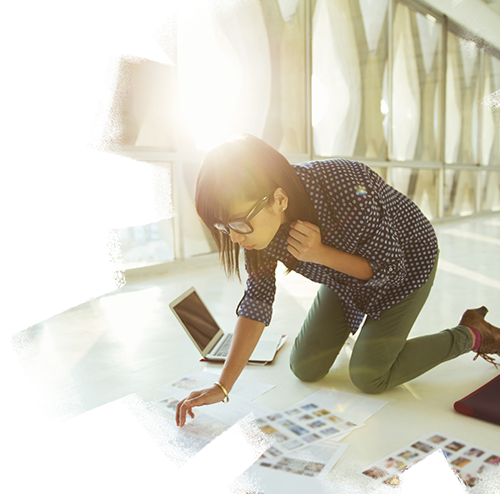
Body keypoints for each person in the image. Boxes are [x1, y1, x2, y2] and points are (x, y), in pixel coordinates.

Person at [175, 134, 499, 427]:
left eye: (239, 224)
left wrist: (320, 254)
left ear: (279, 200)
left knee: (368, 374)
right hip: (343, 275)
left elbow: (389, 270)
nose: (233, 238)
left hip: (407, 261)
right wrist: (223, 385)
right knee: (304, 368)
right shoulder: (255, 230)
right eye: (222, 227)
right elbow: (257, 299)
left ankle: (472, 333)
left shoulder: (346, 187)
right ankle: (358, 333)